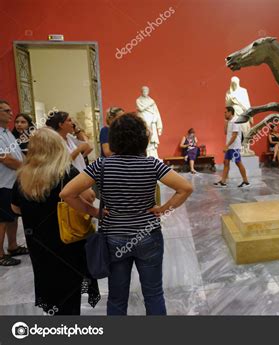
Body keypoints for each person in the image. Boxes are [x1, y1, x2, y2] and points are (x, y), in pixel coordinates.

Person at [60, 113, 193, 315]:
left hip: (114, 238)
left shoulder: (102, 165)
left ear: (114, 139)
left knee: (116, 297)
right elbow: (185, 188)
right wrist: (163, 209)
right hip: (149, 235)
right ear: (143, 138)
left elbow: (67, 193)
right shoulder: (152, 165)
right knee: (154, 294)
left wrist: (96, 213)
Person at [11, 128, 100, 314]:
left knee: (49, 286)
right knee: (69, 291)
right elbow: (90, 196)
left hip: (38, 242)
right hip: (67, 240)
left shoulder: (22, 176)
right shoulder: (66, 172)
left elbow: (15, 208)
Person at [0, 100, 27, 266]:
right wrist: (26, 169)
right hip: (2, 182)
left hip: (13, 182)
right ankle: (0, 254)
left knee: (12, 216)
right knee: (2, 219)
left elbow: (16, 155)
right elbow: (5, 159)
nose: (11, 113)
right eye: (7, 111)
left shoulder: (7, 133)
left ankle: (13, 246)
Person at [214, 107, 250, 188]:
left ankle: (246, 181)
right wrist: (226, 123)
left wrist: (226, 146)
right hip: (230, 147)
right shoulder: (229, 121)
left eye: (226, 112)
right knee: (226, 162)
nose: (224, 114)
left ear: (230, 112)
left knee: (238, 163)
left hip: (235, 147)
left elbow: (234, 135)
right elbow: (225, 132)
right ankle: (223, 182)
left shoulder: (236, 121)